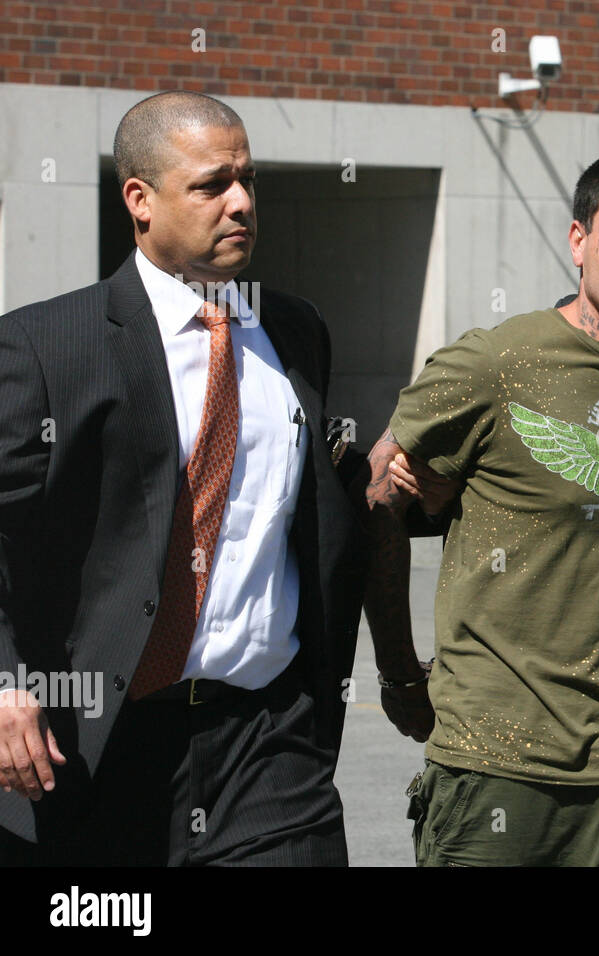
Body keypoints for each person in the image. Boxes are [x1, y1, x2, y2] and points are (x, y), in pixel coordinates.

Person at [0, 91, 369, 865]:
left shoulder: (297, 330)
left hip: (267, 745)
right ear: (140, 198)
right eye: (211, 185)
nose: (240, 203)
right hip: (96, 745)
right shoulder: (47, 347)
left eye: (248, 180)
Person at [363, 145, 599, 866]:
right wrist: (401, 673)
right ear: (579, 240)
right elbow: (380, 494)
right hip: (505, 775)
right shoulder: (498, 363)